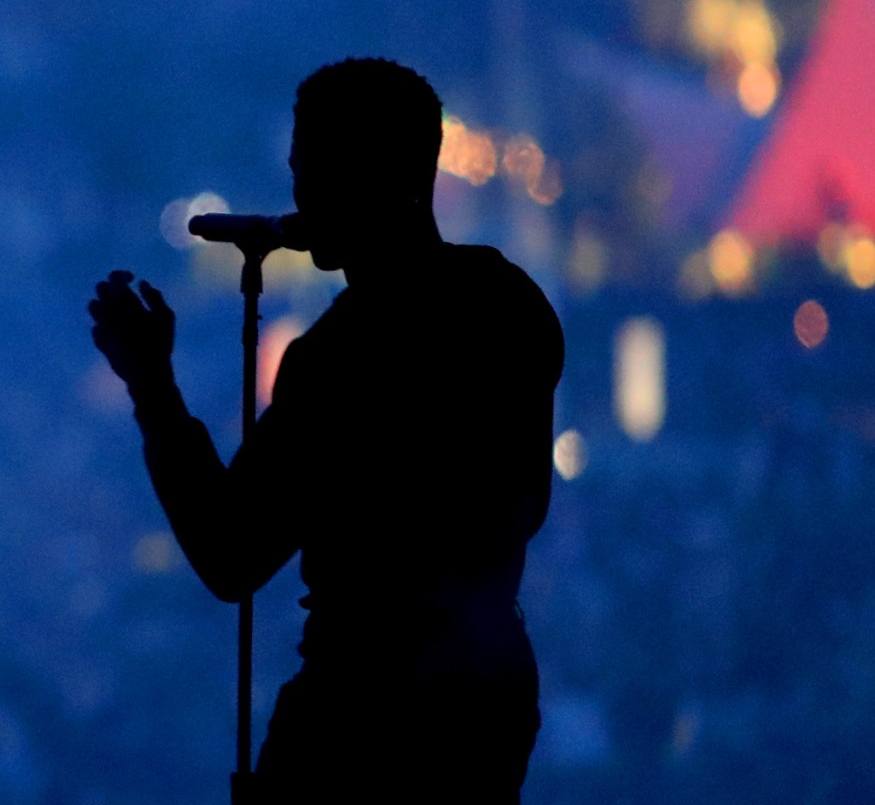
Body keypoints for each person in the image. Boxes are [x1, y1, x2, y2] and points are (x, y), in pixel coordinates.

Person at [88, 58, 563, 802]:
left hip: (360, 719)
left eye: (313, 168)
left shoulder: (345, 355)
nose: (300, 193)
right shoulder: (511, 305)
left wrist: (152, 384)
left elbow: (230, 553)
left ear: (370, 176)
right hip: (485, 699)